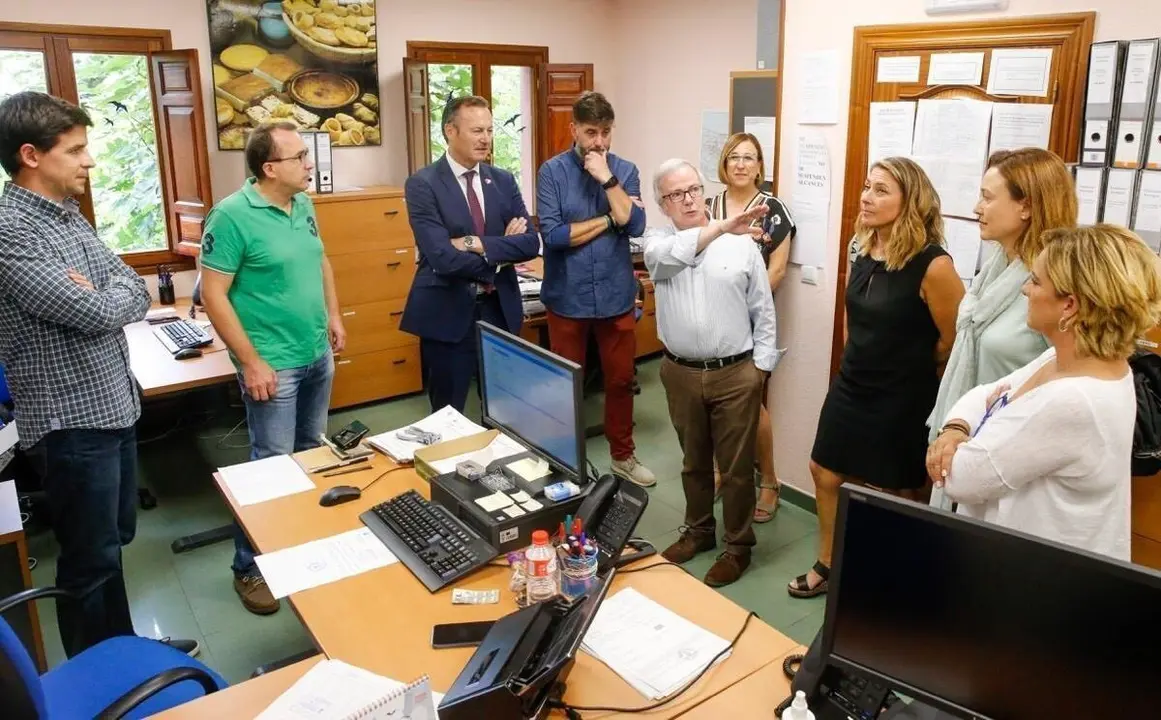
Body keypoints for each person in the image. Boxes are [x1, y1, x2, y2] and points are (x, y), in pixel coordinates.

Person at [0, 91, 197, 657]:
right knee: (88, 558)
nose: (89, 162)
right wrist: (105, 296)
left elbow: (131, 289)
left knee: (113, 543)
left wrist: (109, 293)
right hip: (68, 419)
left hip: (113, 404)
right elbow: (94, 310)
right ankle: (99, 676)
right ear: (32, 154)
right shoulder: (12, 230)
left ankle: (126, 654)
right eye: (77, 150)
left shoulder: (66, 217)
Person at [928, 225, 1161, 560]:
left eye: (1036, 281)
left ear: (1070, 305)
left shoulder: (1072, 401)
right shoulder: (1063, 358)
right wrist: (957, 428)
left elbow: (961, 478)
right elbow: (981, 394)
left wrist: (958, 441)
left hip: (1036, 585)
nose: (1025, 289)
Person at [788, 157, 964, 599]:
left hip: (902, 395)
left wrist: (910, 366)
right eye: (867, 187)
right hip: (853, 384)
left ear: (911, 200)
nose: (866, 197)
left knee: (897, 488)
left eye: (881, 189)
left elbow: (953, 339)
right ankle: (829, 564)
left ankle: (890, 580)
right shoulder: (862, 247)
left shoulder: (933, 265)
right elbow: (854, 317)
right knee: (824, 470)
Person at [200, 121, 344, 616]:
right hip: (272, 366)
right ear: (269, 168)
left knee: (312, 456)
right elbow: (213, 296)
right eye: (301, 156)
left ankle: (300, 552)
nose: (310, 163)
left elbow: (320, 260)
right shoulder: (232, 216)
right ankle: (249, 567)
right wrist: (252, 361)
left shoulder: (302, 203)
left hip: (315, 355)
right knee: (271, 470)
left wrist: (334, 315)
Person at [644, 159, 777, 586]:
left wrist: (760, 369)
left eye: (693, 190)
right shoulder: (657, 243)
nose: (687, 200)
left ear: (704, 191)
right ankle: (699, 531)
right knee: (693, 462)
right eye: (675, 195)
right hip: (680, 372)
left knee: (737, 469)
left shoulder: (743, 246)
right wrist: (720, 227)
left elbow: (763, 309)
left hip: (735, 373)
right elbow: (675, 256)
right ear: (662, 204)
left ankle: (737, 547)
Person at [926, 148, 1077, 509]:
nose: (977, 207)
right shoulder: (996, 268)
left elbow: (1065, 376)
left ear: (1025, 207)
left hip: (1014, 461)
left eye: (988, 197)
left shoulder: (1052, 285)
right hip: (965, 441)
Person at [537, 91, 655, 488]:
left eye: (606, 132)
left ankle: (622, 456)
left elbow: (635, 225)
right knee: (565, 383)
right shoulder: (551, 172)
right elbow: (554, 236)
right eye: (591, 132)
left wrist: (607, 179)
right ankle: (563, 459)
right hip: (567, 298)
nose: (599, 142)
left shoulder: (625, 170)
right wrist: (610, 219)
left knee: (620, 380)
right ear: (574, 129)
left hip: (614, 295)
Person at [400, 96, 541, 413]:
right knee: (448, 414)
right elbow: (441, 258)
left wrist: (474, 243)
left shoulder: (502, 180)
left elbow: (531, 244)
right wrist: (502, 249)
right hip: (447, 312)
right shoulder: (423, 184)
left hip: (499, 310)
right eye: (477, 130)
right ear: (450, 130)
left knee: (504, 406)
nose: (486, 139)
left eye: (490, 130)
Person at [705, 132, 796, 523]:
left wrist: (744, 309)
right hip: (712, 319)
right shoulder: (711, 206)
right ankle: (718, 471)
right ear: (724, 164)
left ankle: (770, 481)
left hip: (751, 321)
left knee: (751, 403)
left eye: (749, 158)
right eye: (734, 157)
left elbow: (777, 271)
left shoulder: (774, 210)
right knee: (708, 400)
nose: (741, 164)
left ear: (760, 166)